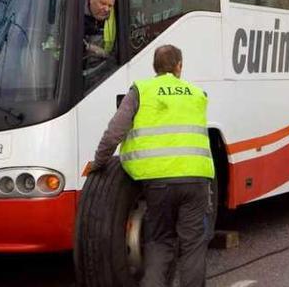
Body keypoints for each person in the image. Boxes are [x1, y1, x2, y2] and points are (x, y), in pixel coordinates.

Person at [91, 45, 214, 287]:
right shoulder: (197, 93)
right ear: (179, 66)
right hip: (197, 179)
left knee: (159, 242)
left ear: (154, 67)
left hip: (159, 183)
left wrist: (99, 161)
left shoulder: (142, 90)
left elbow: (115, 132)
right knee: (193, 246)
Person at [83, 0, 117, 80]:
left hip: (104, 70)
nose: (106, 9)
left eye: (110, 6)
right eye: (102, 3)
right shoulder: (74, 12)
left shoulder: (115, 15)